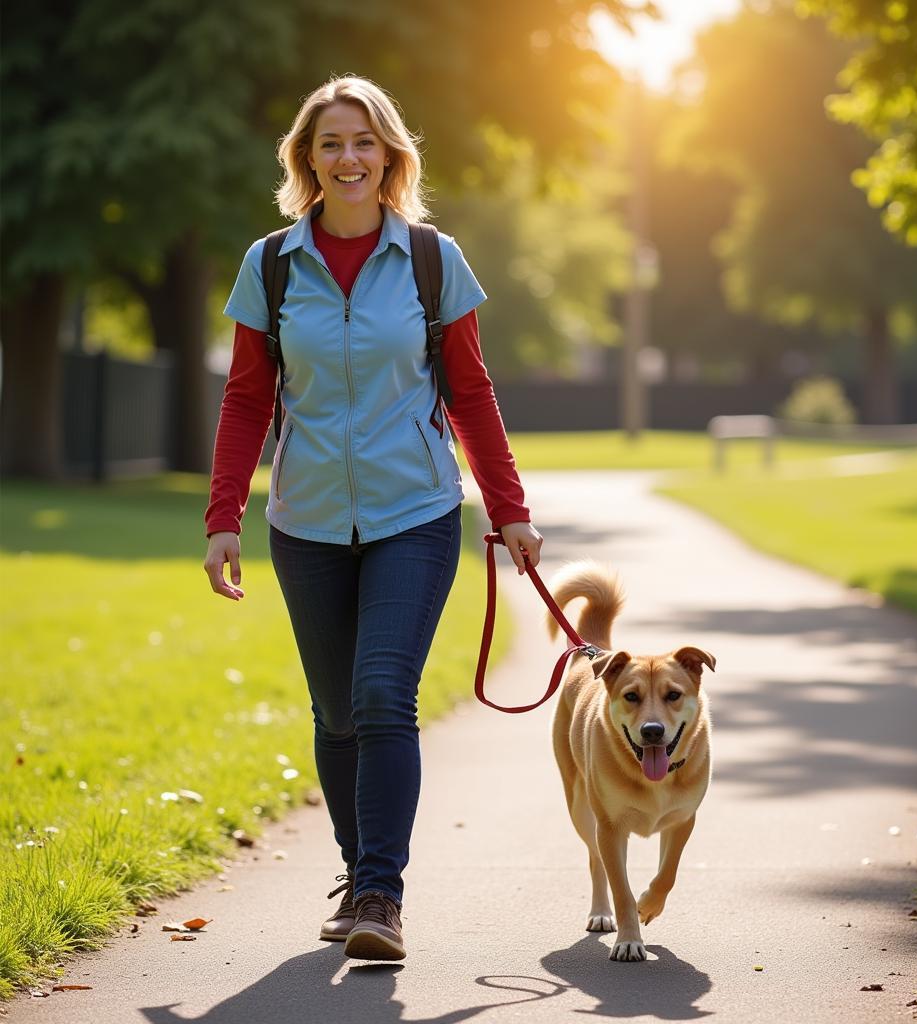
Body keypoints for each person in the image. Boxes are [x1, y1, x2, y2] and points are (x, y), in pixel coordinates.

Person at [203, 75, 542, 962]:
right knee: (336, 712)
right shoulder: (271, 265)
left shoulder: (432, 260)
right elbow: (246, 399)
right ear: (306, 160)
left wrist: (509, 511)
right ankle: (359, 878)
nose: (348, 158)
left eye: (363, 142)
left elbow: (470, 391)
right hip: (306, 518)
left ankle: (382, 897)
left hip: (414, 512)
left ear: (390, 154)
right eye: (330, 144)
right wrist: (223, 516)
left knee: (383, 693)